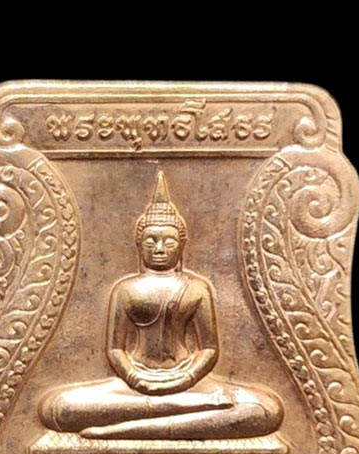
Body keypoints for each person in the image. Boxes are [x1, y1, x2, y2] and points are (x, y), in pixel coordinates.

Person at [39, 171, 283, 439]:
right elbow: (116, 349)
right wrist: (135, 378)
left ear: (182, 245)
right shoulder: (125, 289)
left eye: (169, 241)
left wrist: (186, 378)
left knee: (266, 409)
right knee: (59, 408)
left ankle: (140, 423)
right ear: (138, 245)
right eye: (151, 241)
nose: (159, 248)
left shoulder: (196, 288)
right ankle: (189, 410)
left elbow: (209, 349)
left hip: (190, 382)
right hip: (134, 386)